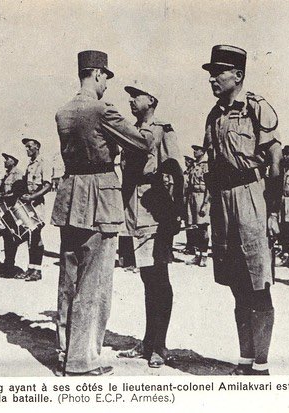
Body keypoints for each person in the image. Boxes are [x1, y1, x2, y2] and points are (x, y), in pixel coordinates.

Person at [51, 50, 152, 376]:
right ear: (96, 75)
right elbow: (140, 143)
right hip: (99, 199)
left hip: (70, 197)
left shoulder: (63, 111)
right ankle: (82, 360)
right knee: (94, 283)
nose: (107, 84)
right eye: (106, 77)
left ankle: (64, 352)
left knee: (69, 278)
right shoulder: (102, 109)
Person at [201, 45, 282, 375]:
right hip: (222, 199)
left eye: (218, 72)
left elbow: (275, 163)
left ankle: (261, 365)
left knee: (257, 282)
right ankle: (245, 359)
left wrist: (273, 212)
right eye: (210, 74)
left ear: (238, 75)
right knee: (236, 282)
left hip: (250, 194)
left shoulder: (256, 108)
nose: (212, 79)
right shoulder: (214, 115)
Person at [117, 82, 183, 368]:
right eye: (130, 97)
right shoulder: (130, 131)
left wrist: (175, 215)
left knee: (159, 278)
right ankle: (147, 340)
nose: (131, 101)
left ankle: (160, 345)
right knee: (147, 278)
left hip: (155, 212)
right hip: (133, 209)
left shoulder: (162, 130)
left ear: (152, 100)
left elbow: (177, 173)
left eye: (137, 96)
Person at [12, 138, 52, 282]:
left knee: (36, 235)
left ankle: (37, 270)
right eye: (26, 147)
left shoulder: (43, 163)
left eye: (29, 146)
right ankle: (31, 268)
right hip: (29, 204)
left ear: (37, 147)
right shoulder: (30, 165)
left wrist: (32, 197)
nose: (27, 149)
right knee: (31, 236)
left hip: (37, 204)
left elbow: (47, 185)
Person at [0, 153, 24, 277]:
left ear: (14, 160)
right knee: (6, 236)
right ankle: (8, 263)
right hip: (6, 209)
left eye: (7, 159)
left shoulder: (17, 173)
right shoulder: (7, 174)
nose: (5, 161)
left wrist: (2, 196)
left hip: (14, 209)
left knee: (12, 237)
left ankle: (10, 265)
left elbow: (17, 192)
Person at [185, 145, 210, 267]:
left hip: (202, 197)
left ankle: (204, 255)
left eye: (197, 149)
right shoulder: (194, 166)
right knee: (194, 228)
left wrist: (205, 204)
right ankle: (197, 255)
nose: (194, 152)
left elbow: (210, 186)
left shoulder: (206, 166)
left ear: (203, 151)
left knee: (203, 228)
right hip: (192, 196)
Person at [182, 155, 196, 255]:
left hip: (190, 198)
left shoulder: (193, 171)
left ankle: (193, 246)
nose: (186, 162)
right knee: (187, 223)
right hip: (185, 199)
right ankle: (189, 245)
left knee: (193, 224)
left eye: (187, 160)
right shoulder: (185, 172)